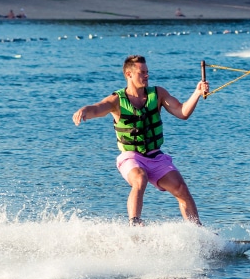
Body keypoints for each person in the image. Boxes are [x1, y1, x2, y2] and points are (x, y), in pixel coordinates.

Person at [73, 55, 209, 227]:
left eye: (147, 72)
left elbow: (182, 112)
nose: (146, 76)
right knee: (140, 178)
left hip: (155, 156)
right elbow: (99, 108)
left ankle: (198, 232)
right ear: (129, 74)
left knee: (181, 189)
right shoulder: (117, 100)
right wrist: (85, 110)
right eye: (142, 72)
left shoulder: (158, 94)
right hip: (131, 157)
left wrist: (197, 92)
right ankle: (135, 224)